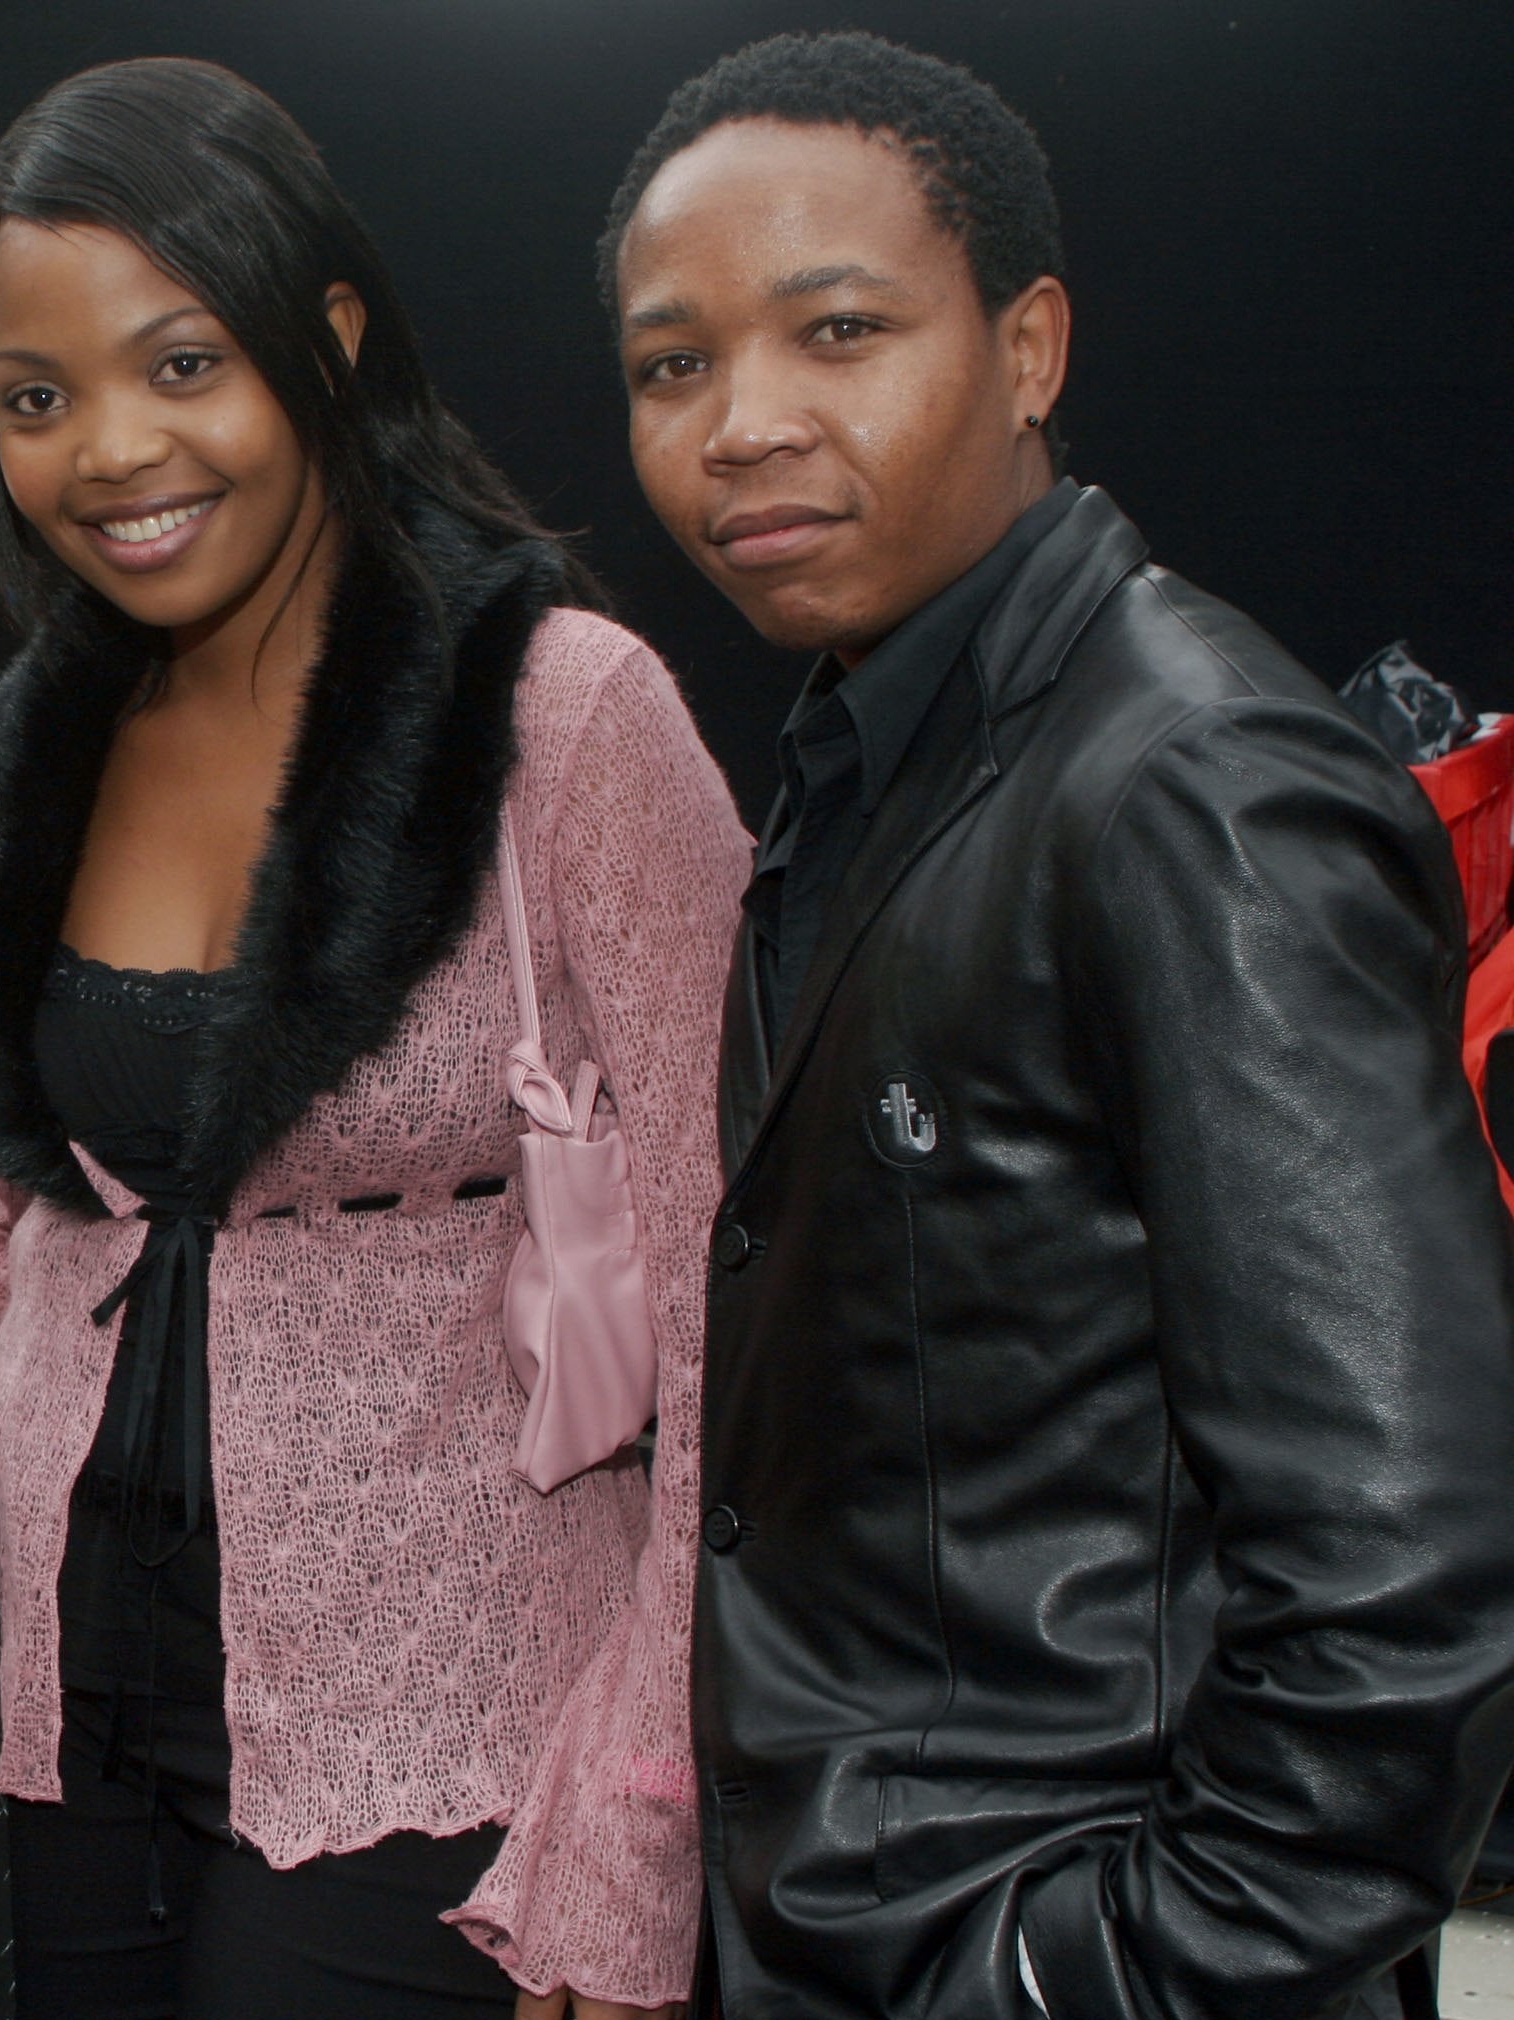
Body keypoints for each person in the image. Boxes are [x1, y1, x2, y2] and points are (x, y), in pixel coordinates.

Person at [599, 32, 1514, 2018]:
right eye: (673, 364)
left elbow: (1416, 1576)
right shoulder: (876, 753)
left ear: (1028, 348)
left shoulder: (1193, 784)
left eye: (840, 330)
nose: (743, 423)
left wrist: (1067, 1978)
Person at [0, 58, 747, 2019]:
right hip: (69, 1732)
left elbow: (745, 1298)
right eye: (36, 397)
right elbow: (22, 1220)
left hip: (441, 1734)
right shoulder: (38, 732)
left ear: (333, 333)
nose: (111, 450)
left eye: (181, 363)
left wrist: (641, 1815)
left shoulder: (561, 709)